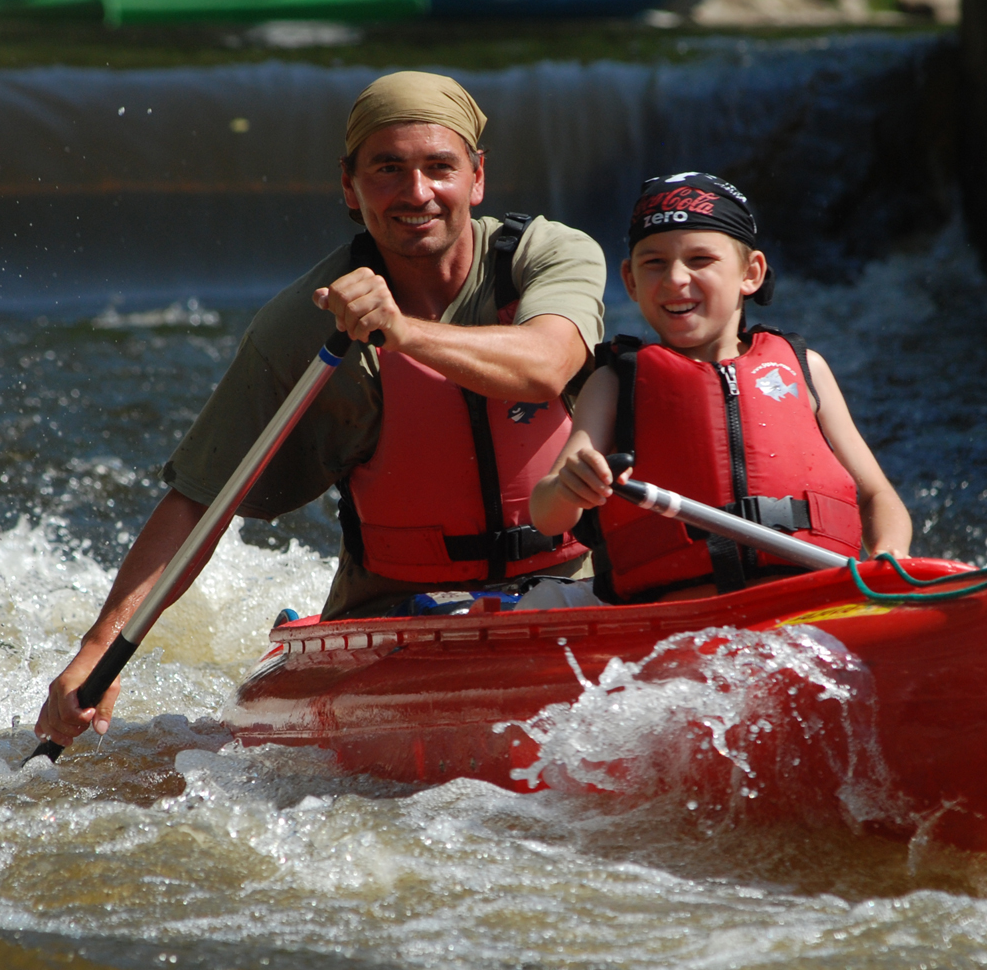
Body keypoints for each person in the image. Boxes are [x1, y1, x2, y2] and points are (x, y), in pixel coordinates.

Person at [35, 71, 607, 748]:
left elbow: (545, 367)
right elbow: (200, 499)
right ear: (348, 185)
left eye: (439, 168)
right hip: (396, 612)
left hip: (572, 583)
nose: (416, 193)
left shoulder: (549, 257)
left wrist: (401, 331)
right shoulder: (305, 324)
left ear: (477, 178)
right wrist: (100, 646)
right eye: (388, 169)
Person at [530, 171, 910, 603]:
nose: (675, 278)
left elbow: (877, 495)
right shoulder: (613, 382)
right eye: (653, 262)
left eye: (700, 260)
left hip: (805, 601)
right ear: (630, 280)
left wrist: (889, 555)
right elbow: (546, 513)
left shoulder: (807, 370)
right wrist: (569, 488)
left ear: (751, 273)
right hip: (672, 617)